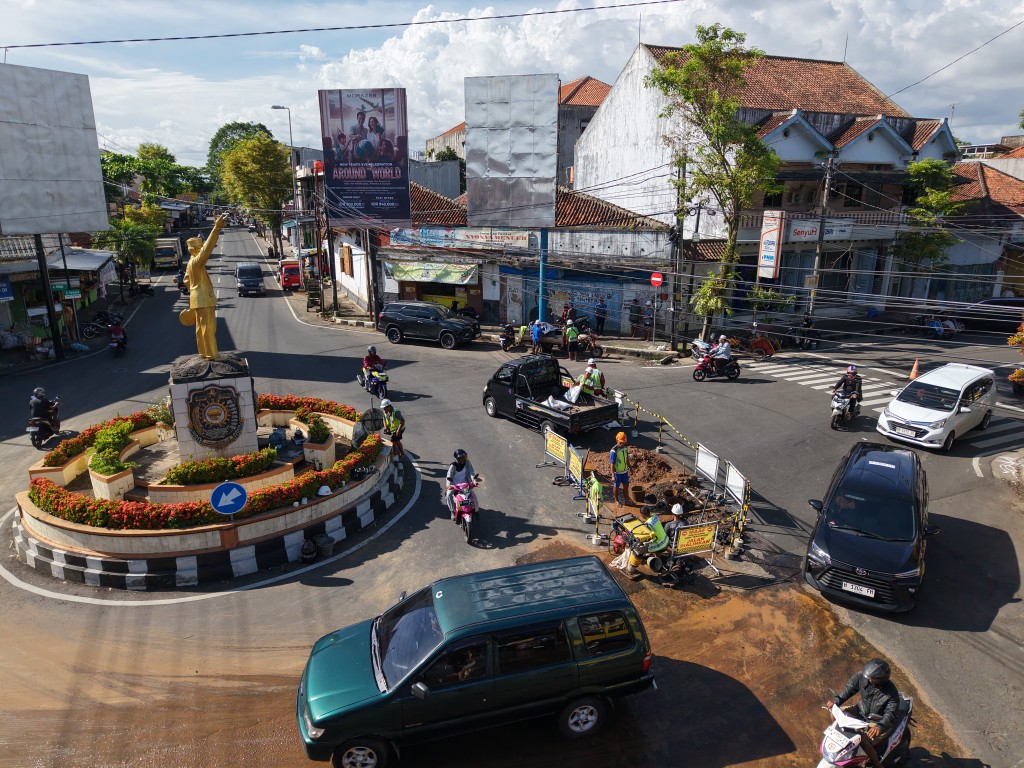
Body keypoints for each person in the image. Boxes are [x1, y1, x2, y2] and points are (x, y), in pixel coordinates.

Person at [828, 659, 900, 768]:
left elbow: (890, 713)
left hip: (877, 720)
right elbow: (848, 690)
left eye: (871, 679)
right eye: (867, 677)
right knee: (835, 714)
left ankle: (877, 763)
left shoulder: (891, 693)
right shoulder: (862, 676)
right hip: (860, 710)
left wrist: (879, 727)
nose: (867, 680)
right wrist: (836, 702)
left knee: (864, 739)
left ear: (881, 680)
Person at [181, 213, 229, 359]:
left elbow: (186, 280)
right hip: (202, 299)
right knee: (208, 328)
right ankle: (212, 354)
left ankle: (204, 352)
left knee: (200, 328)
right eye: (200, 248)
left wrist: (193, 291)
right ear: (196, 250)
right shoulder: (196, 262)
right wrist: (216, 229)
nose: (202, 249)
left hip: (197, 299)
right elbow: (207, 250)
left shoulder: (190, 264)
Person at [446, 448, 478, 522]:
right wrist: (448, 485)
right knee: (449, 495)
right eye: (461, 458)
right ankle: (452, 511)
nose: (463, 459)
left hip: (465, 484)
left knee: (473, 495)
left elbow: (471, 473)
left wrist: (474, 481)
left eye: (464, 457)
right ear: (457, 459)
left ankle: (476, 511)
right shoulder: (453, 466)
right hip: (455, 486)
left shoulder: (467, 463)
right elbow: (449, 477)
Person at [609, 432, 630, 506]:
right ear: (617, 440)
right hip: (617, 473)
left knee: (626, 485)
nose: (622, 444)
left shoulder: (625, 448)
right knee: (616, 486)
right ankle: (616, 500)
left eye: (623, 442)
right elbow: (612, 464)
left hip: (624, 472)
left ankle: (626, 500)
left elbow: (627, 458)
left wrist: (630, 466)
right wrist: (612, 475)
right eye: (621, 442)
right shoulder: (614, 451)